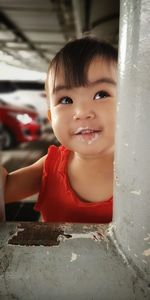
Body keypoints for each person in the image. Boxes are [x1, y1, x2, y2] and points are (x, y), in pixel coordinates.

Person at [3, 36, 118, 223]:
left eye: (101, 94)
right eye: (66, 100)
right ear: (51, 118)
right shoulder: (50, 166)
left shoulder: (141, 168)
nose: (81, 113)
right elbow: (5, 189)